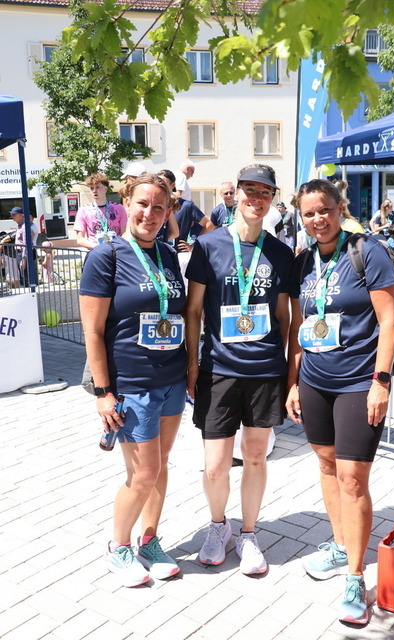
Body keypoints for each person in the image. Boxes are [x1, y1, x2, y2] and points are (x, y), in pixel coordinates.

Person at [286, 179, 394, 625]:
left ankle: (355, 575)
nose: (318, 219)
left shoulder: (366, 251)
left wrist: (381, 382)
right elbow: (299, 325)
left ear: (340, 209)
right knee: (327, 464)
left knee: (353, 478)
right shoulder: (303, 261)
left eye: (324, 210)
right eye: (309, 213)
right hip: (315, 380)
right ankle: (339, 544)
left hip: (358, 382)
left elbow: (389, 321)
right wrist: (294, 383)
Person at [186, 164, 294, 575]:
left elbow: (284, 318)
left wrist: (286, 372)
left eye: (264, 192)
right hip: (219, 369)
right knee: (215, 464)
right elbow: (193, 311)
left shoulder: (280, 252)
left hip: (264, 370)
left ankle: (249, 533)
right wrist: (192, 364)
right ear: (237, 194)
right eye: (249, 190)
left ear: (272, 199)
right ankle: (219, 527)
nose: (256, 198)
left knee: (255, 457)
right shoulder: (208, 245)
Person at [79, 174, 187, 588]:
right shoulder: (106, 256)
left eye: (159, 207)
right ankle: (118, 545)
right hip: (132, 383)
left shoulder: (167, 255)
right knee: (143, 473)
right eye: (143, 204)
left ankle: (149, 541)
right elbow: (92, 331)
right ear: (127, 203)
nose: (149, 213)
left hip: (172, 378)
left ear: (168, 211)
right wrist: (103, 393)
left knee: (160, 466)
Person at [74, 173, 127, 250]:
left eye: (97, 187)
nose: (94, 191)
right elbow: (80, 239)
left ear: (105, 189)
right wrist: (99, 248)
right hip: (96, 251)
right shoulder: (83, 210)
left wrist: (116, 247)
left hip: (116, 250)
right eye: (92, 188)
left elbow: (124, 234)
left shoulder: (119, 208)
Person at [13, 207, 39, 287]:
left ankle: (31, 291)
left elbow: (26, 243)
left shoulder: (25, 227)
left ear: (20, 215)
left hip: (24, 253)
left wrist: (24, 258)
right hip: (20, 253)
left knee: (27, 277)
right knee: (24, 277)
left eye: (14, 215)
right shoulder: (20, 226)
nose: (12, 216)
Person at [0, 208, 21, 288]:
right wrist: (0, 256)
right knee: (11, 273)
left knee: (14, 273)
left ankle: (15, 288)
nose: (11, 216)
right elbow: (3, 242)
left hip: (13, 254)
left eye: (13, 215)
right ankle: (13, 288)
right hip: (8, 254)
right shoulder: (15, 233)